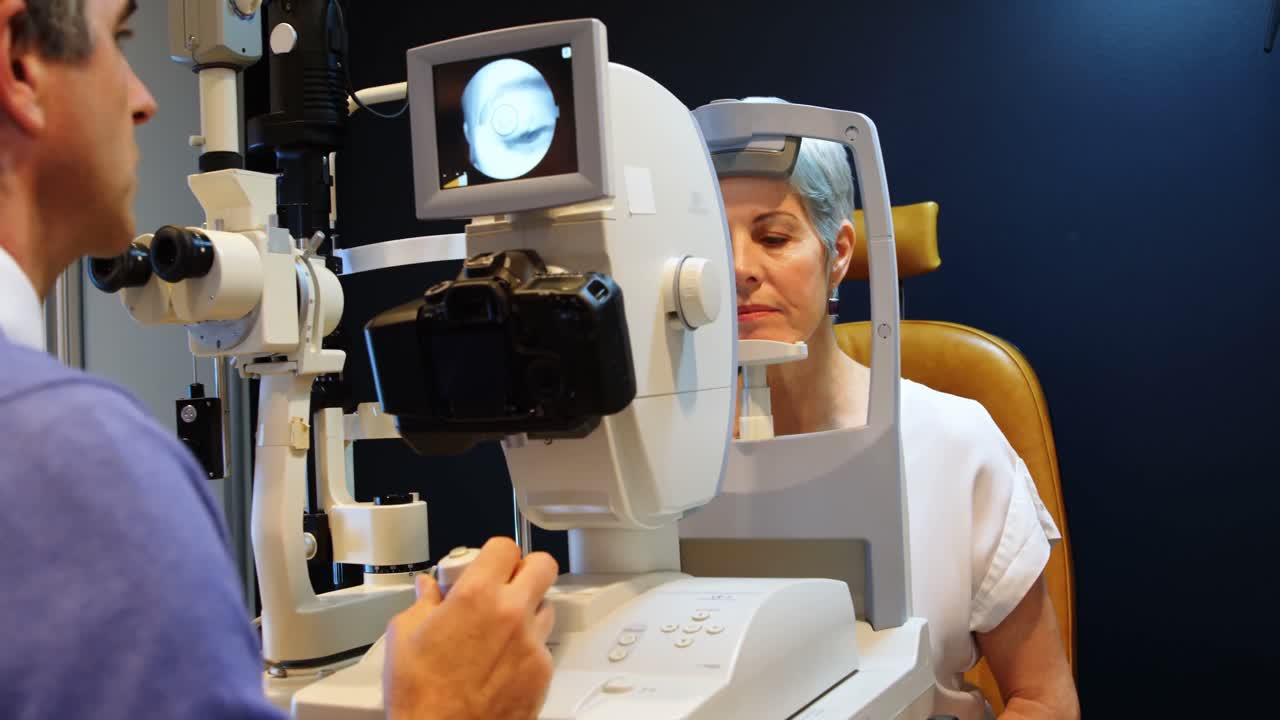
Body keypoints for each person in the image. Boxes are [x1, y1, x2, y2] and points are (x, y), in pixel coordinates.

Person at [0, 2, 556, 718]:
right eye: (120, 40)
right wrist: (446, 704)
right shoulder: (75, 457)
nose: (143, 101)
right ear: (20, 68)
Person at [722, 98, 1080, 720]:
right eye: (709, 241)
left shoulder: (953, 442)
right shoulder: (657, 460)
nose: (737, 268)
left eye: (773, 237)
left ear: (838, 253)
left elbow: (1044, 699)